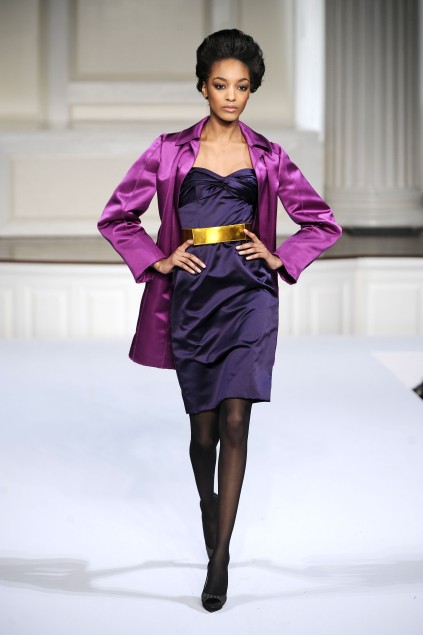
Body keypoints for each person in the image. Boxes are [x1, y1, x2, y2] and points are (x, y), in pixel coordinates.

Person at [98, 29, 342, 612]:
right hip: (193, 295)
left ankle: (220, 558)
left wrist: (282, 257)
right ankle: (210, 507)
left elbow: (321, 220)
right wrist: (158, 258)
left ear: (251, 90)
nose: (232, 96)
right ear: (203, 87)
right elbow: (117, 216)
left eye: (242, 87)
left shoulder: (269, 156)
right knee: (203, 433)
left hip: (250, 294)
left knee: (236, 421)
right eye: (221, 85)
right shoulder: (169, 151)